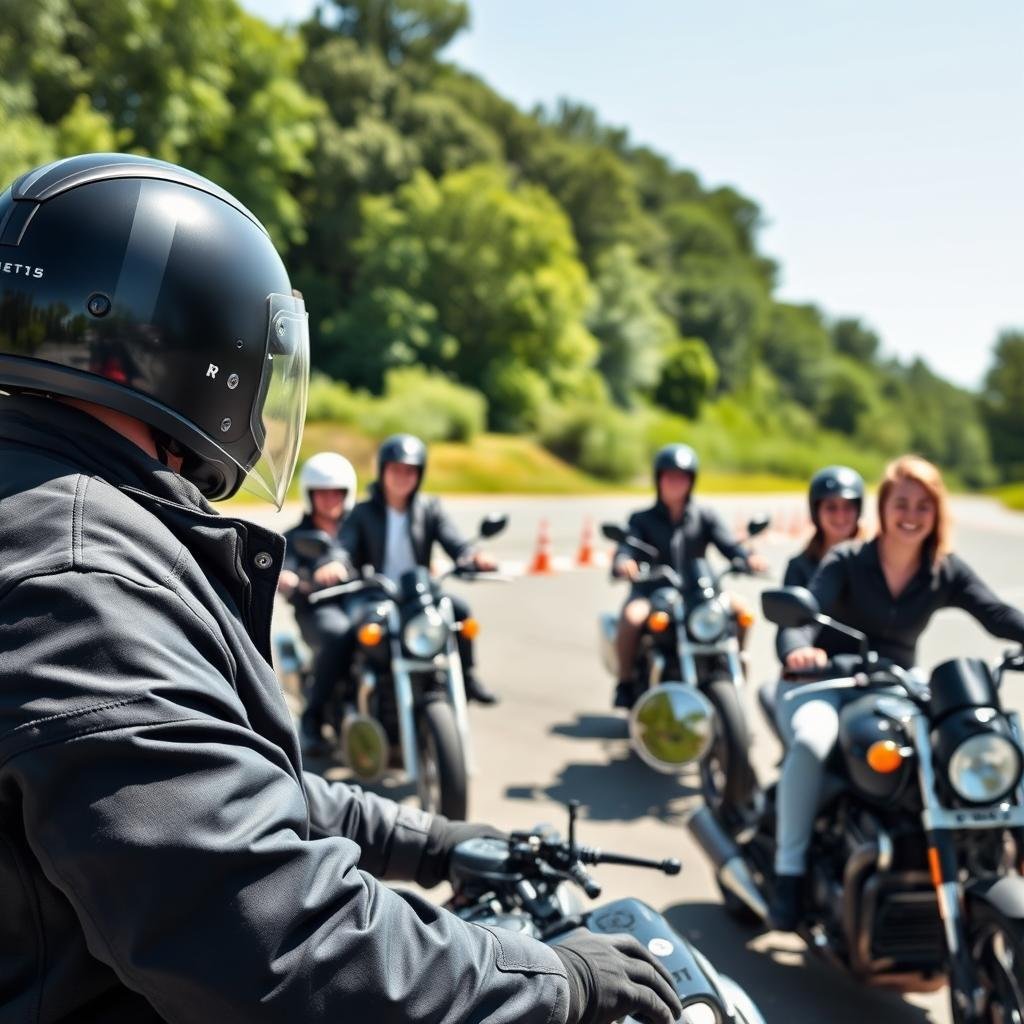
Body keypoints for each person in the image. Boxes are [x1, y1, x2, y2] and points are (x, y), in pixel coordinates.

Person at [0, 153, 682, 1024]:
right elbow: (269, 941)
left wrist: (427, 840)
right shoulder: (80, 579)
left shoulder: (41, 508)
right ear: (197, 352)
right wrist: (555, 980)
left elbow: (205, 782)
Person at [769, 454, 1024, 931]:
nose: (911, 514)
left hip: (892, 685)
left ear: (937, 513)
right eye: (901, 502)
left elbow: (995, 613)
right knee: (811, 740)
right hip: (823, 683)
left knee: (983, 730)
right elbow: (803, 617)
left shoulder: (942, 570)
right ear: (883, 508)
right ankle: (789, 872)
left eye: (923, 506)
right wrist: (798, 652)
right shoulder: (847, 559)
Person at [339, 433, 501, 705]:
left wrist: (473, 556)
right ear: (383, 471)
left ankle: (467, 676)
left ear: (420, 474)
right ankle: (353, 692)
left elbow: (455, 542)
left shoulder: (430, 509)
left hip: (418, 592)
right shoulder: (362, 512)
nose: (403, 476)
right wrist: (336, 564)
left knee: (459, 612)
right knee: (354, 634)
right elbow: (344, 547)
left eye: (410, 471)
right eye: (396, 469)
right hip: (378, 593)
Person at [611, 443, 769, 709]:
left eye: (682, 477)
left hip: (699, 591)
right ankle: (625, 683)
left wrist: (746, 558)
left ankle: (733, 661)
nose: (676, 482)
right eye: (669, 476)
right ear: (658, 479)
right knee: (631, 617)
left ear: (691, 481)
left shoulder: (704, 515)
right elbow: (627, 547)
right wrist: (624, 562)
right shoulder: (642, 519)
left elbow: (728, 544)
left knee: (743, 611)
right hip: (654, 592)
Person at [278, 451, 359, 754]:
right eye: (322, 492)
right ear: (310, 495)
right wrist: (286, 576)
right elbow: (283, 563)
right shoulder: (297, 536)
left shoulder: (356, 528)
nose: (330, 499)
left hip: (357, 603)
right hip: (317, 609)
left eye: (336, 492)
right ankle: (311, 720)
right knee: (339, 635)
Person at [782, 465, 865, 589]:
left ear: (858, 510)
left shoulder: (874, 562)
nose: (840, 516)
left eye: (848, 507)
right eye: (831, 507)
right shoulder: (800, 567)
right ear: (816, 511)